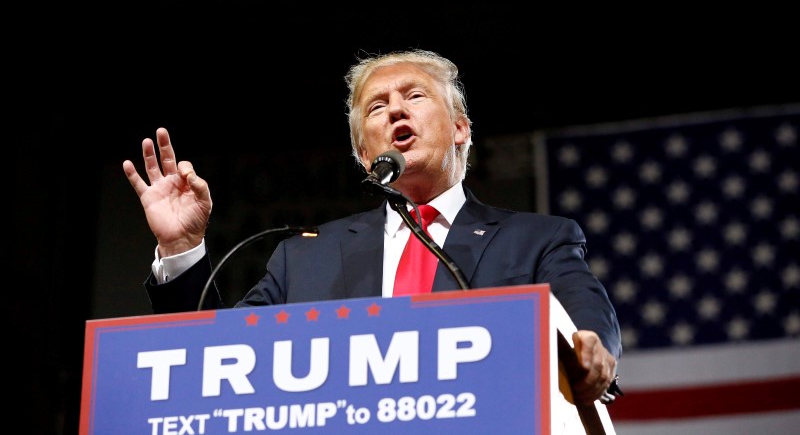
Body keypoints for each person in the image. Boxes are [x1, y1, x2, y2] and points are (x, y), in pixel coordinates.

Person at [123, 48, 622, 406]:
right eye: (377, 107)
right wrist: (183, 246)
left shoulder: (537, 239)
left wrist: (588, 349)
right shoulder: (304, 258)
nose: (396, 110)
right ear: (366, 155)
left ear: (460, 128)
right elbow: (215, 361)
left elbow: (586, 321)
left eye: (415, 96)